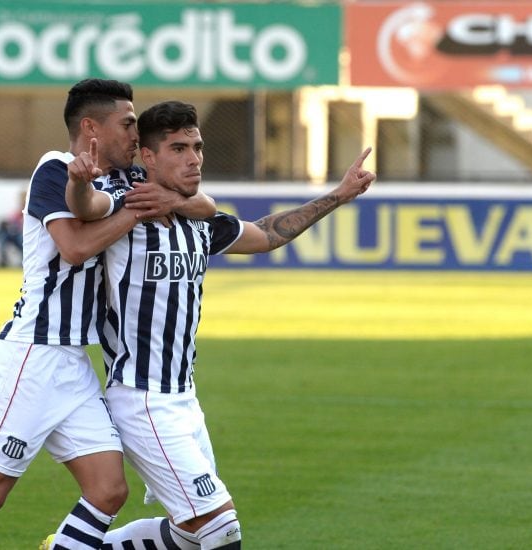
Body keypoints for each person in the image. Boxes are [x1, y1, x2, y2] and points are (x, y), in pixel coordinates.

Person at [0, 81, 216, 550]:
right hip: (32, 356)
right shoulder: (53, 169)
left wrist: (170, 201)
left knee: (109, 491)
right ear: (91, 127)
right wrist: (131, 212)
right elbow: (73, 248)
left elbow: (205, 205)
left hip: (72, 363)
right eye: (128, 123)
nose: (136, 133)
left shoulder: (121, 182)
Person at [55, 100, 375, 549]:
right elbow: (85, 206)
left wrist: (339, 195)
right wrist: (77, 185)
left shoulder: (197, 221)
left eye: (198, 147)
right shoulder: (125, 209)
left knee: (189, 536)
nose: (193, 159)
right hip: (141, 395)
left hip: (185, 399)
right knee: (220, 529)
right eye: (178, 149)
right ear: (147, 157)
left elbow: (265, 235)